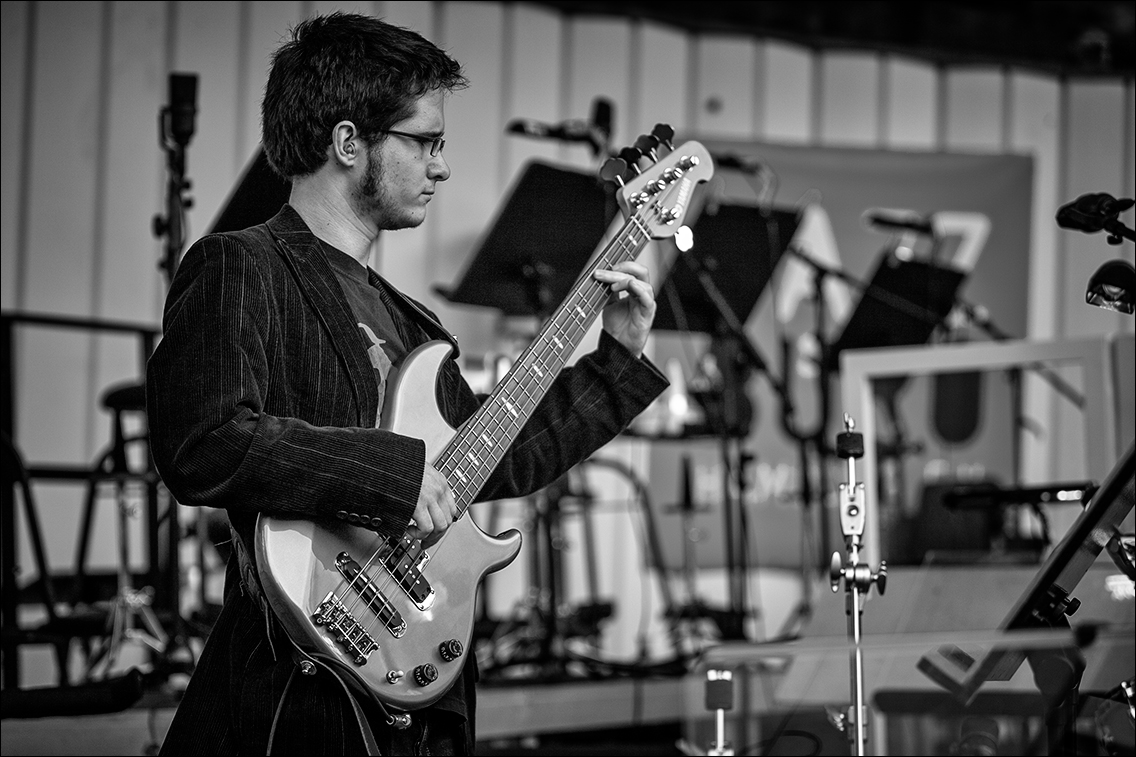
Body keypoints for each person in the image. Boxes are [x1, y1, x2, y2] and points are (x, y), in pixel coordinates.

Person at [146, 11, 668, 756]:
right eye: (426, 141)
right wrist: (393, 475)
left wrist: (616, 359)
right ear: (349, 141)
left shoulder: (416, 326)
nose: (442, 166)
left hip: (416, 702)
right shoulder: (241, 265)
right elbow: (205, 440)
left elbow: (499, 458)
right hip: (295, 689)